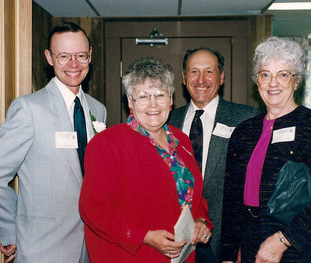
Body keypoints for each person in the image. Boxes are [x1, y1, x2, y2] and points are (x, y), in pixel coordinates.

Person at [0, 22, 106, 262]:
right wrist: (10, 233)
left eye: (80, 55)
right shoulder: (29, 109)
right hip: (42, 247)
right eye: (64, 56)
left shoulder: (98, 109)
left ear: (90, 56)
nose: (73, 64)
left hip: (90, 247)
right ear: (49, 57)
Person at [220, 37, 311, 263]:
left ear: (296, 81)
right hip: (250, 246)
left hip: (297, 248)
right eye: (265, 74)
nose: (273, 83)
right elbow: (232, 203)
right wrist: (229, 255)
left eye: (283, 74)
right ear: (256, 81)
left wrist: (283, 240)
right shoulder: (243, 132)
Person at [79, 56, 212, 262]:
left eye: (160, 95)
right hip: (133, 255)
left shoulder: (181, 140)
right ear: (130, 102)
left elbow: (191, 192)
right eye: (142, 96)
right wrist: (145, 237)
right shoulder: (107, 143)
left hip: (181, 255)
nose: (153, 104)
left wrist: (201, 220)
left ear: (170, 99)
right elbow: (93, 209)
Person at [168, 47, 259, 262]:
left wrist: (241, 248)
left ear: (222, 78)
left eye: (209, 71)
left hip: (225, 240)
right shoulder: (168, 121)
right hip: (176, 239)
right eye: (194, 71)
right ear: (183, 78)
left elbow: (253, 186)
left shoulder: (245, 118)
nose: (201, 79)